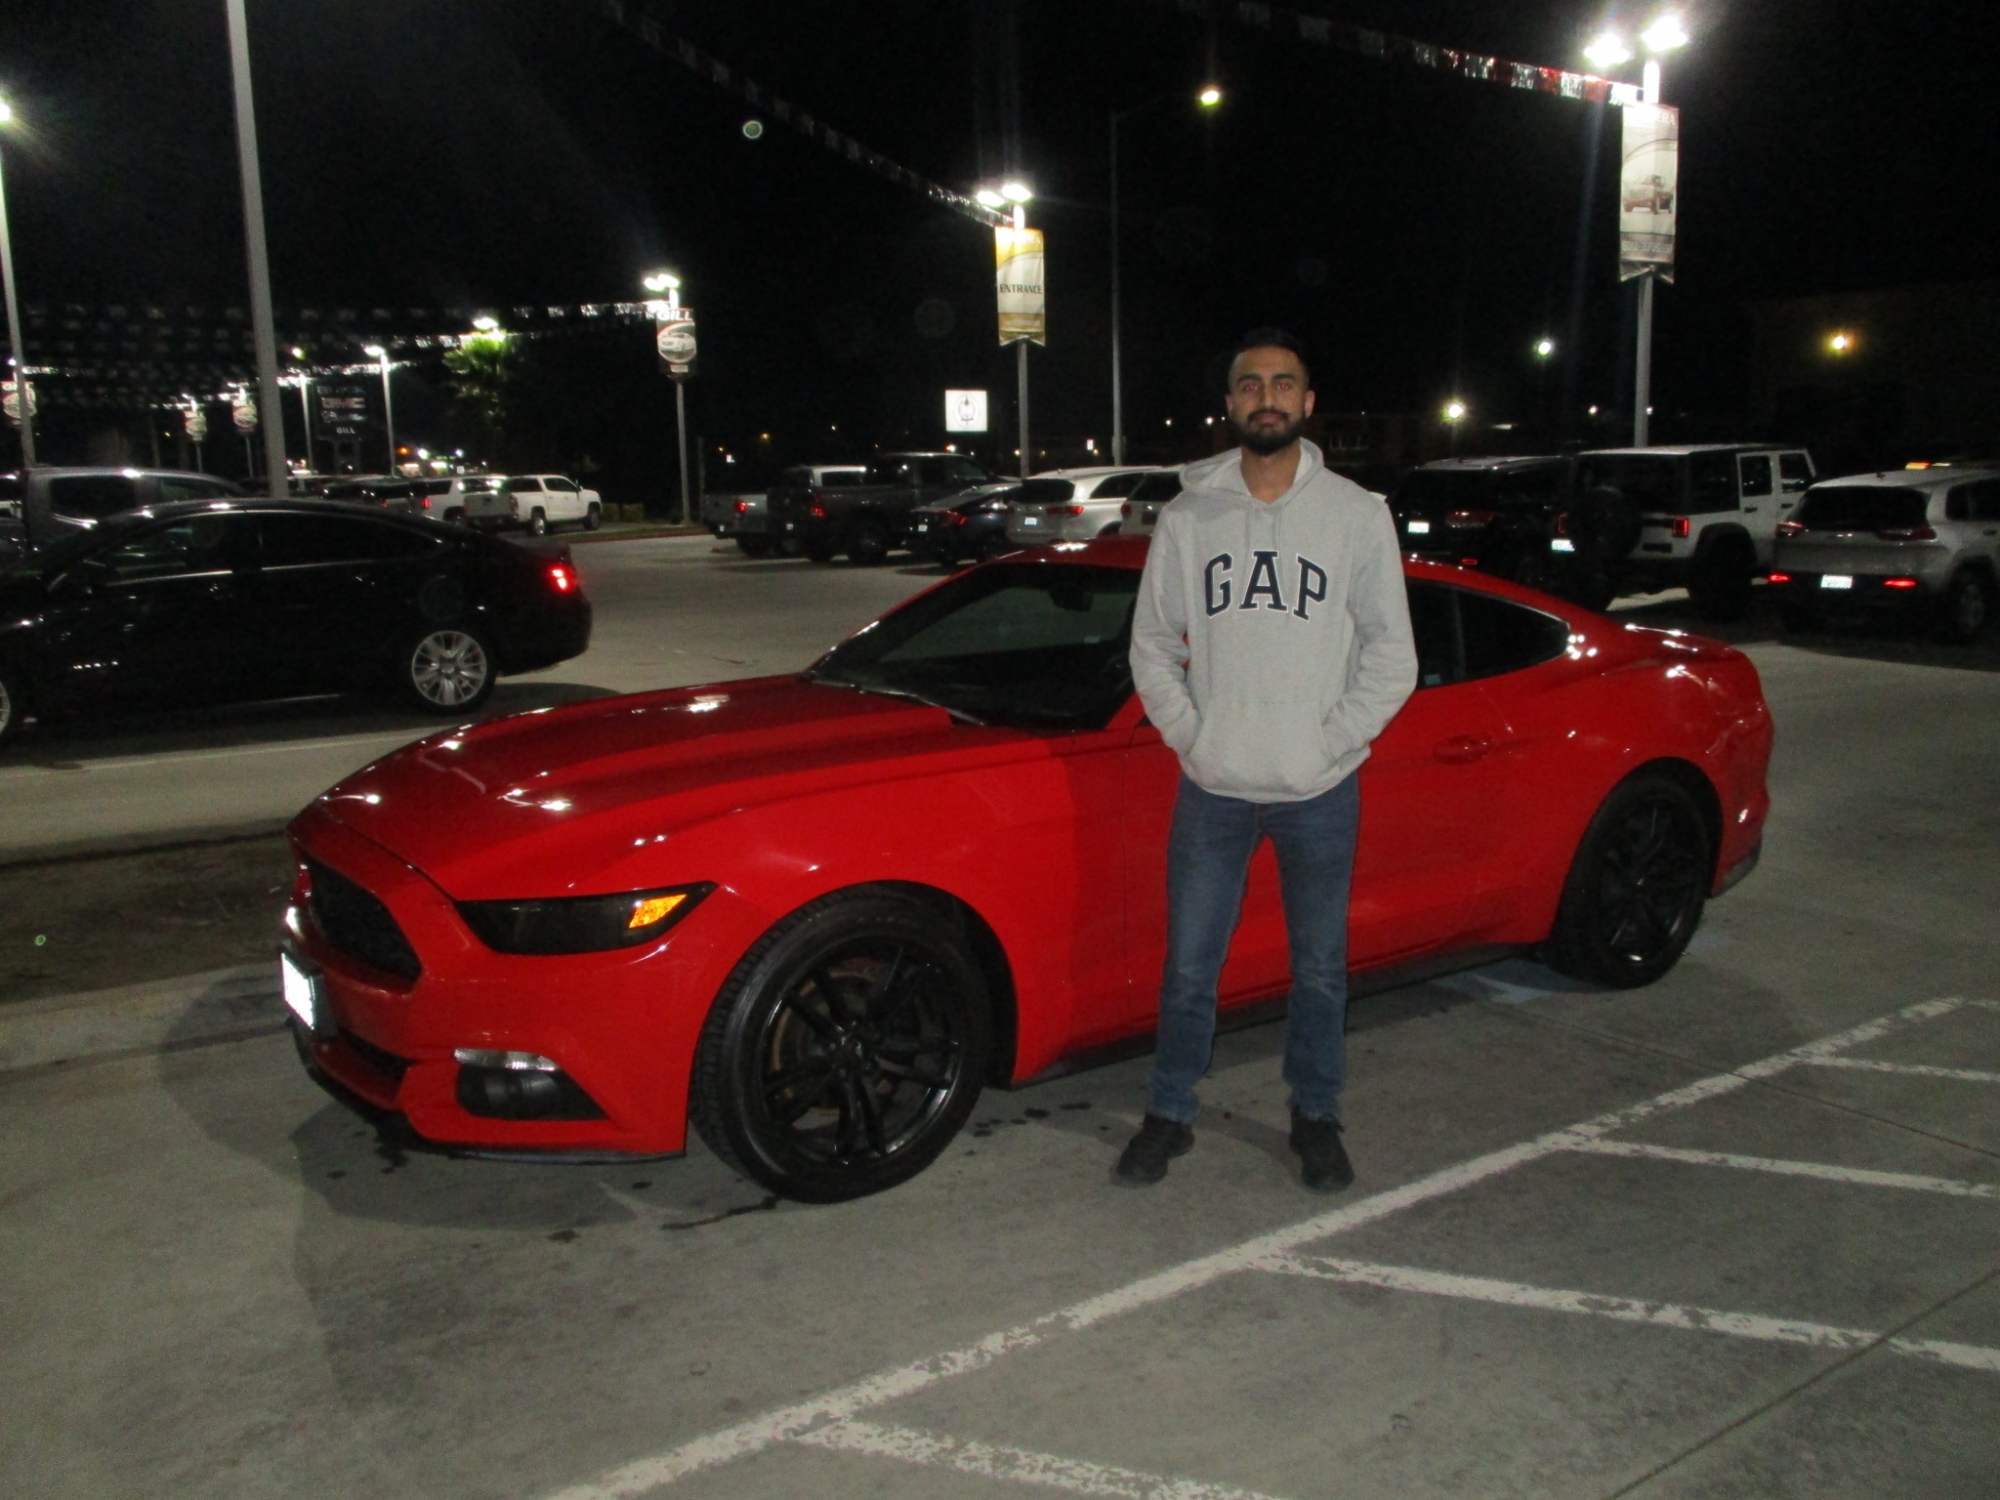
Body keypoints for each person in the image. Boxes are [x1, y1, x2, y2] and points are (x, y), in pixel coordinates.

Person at [1117, 329, 1417, 1191]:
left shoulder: (1356, 515)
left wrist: (1330, 741)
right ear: (1231, 403)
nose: (1267, 397)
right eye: (1250, 384)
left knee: (1319, 971)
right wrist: (1194, 736)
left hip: (1318, 789)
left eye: (1284, 384)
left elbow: (1392, 655)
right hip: (1212, 787)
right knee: (1188, 968)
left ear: (1308, 403)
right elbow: (1151, 647)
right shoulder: (1190, 517)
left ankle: (1315, 1115)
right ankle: (1169, 1113)